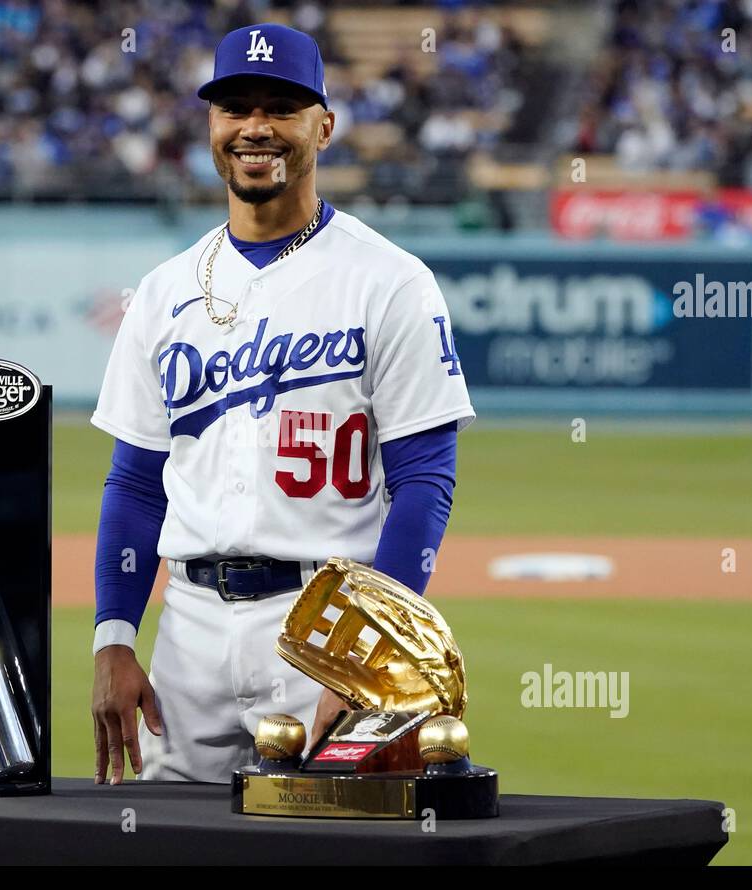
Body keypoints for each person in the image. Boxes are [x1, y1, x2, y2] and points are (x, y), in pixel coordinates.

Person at [89, 22, 475, 784]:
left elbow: (426, 479)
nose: (255, 127)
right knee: (167, 848)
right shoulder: (166, 291)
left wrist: (368, 654)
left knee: (330, 852)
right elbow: (135, 482)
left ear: (323, 127)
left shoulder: (388, 281)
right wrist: (113, 637)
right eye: (235, 107)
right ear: (211, 126)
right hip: (188, 631)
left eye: (281, 107)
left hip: (326, 621)